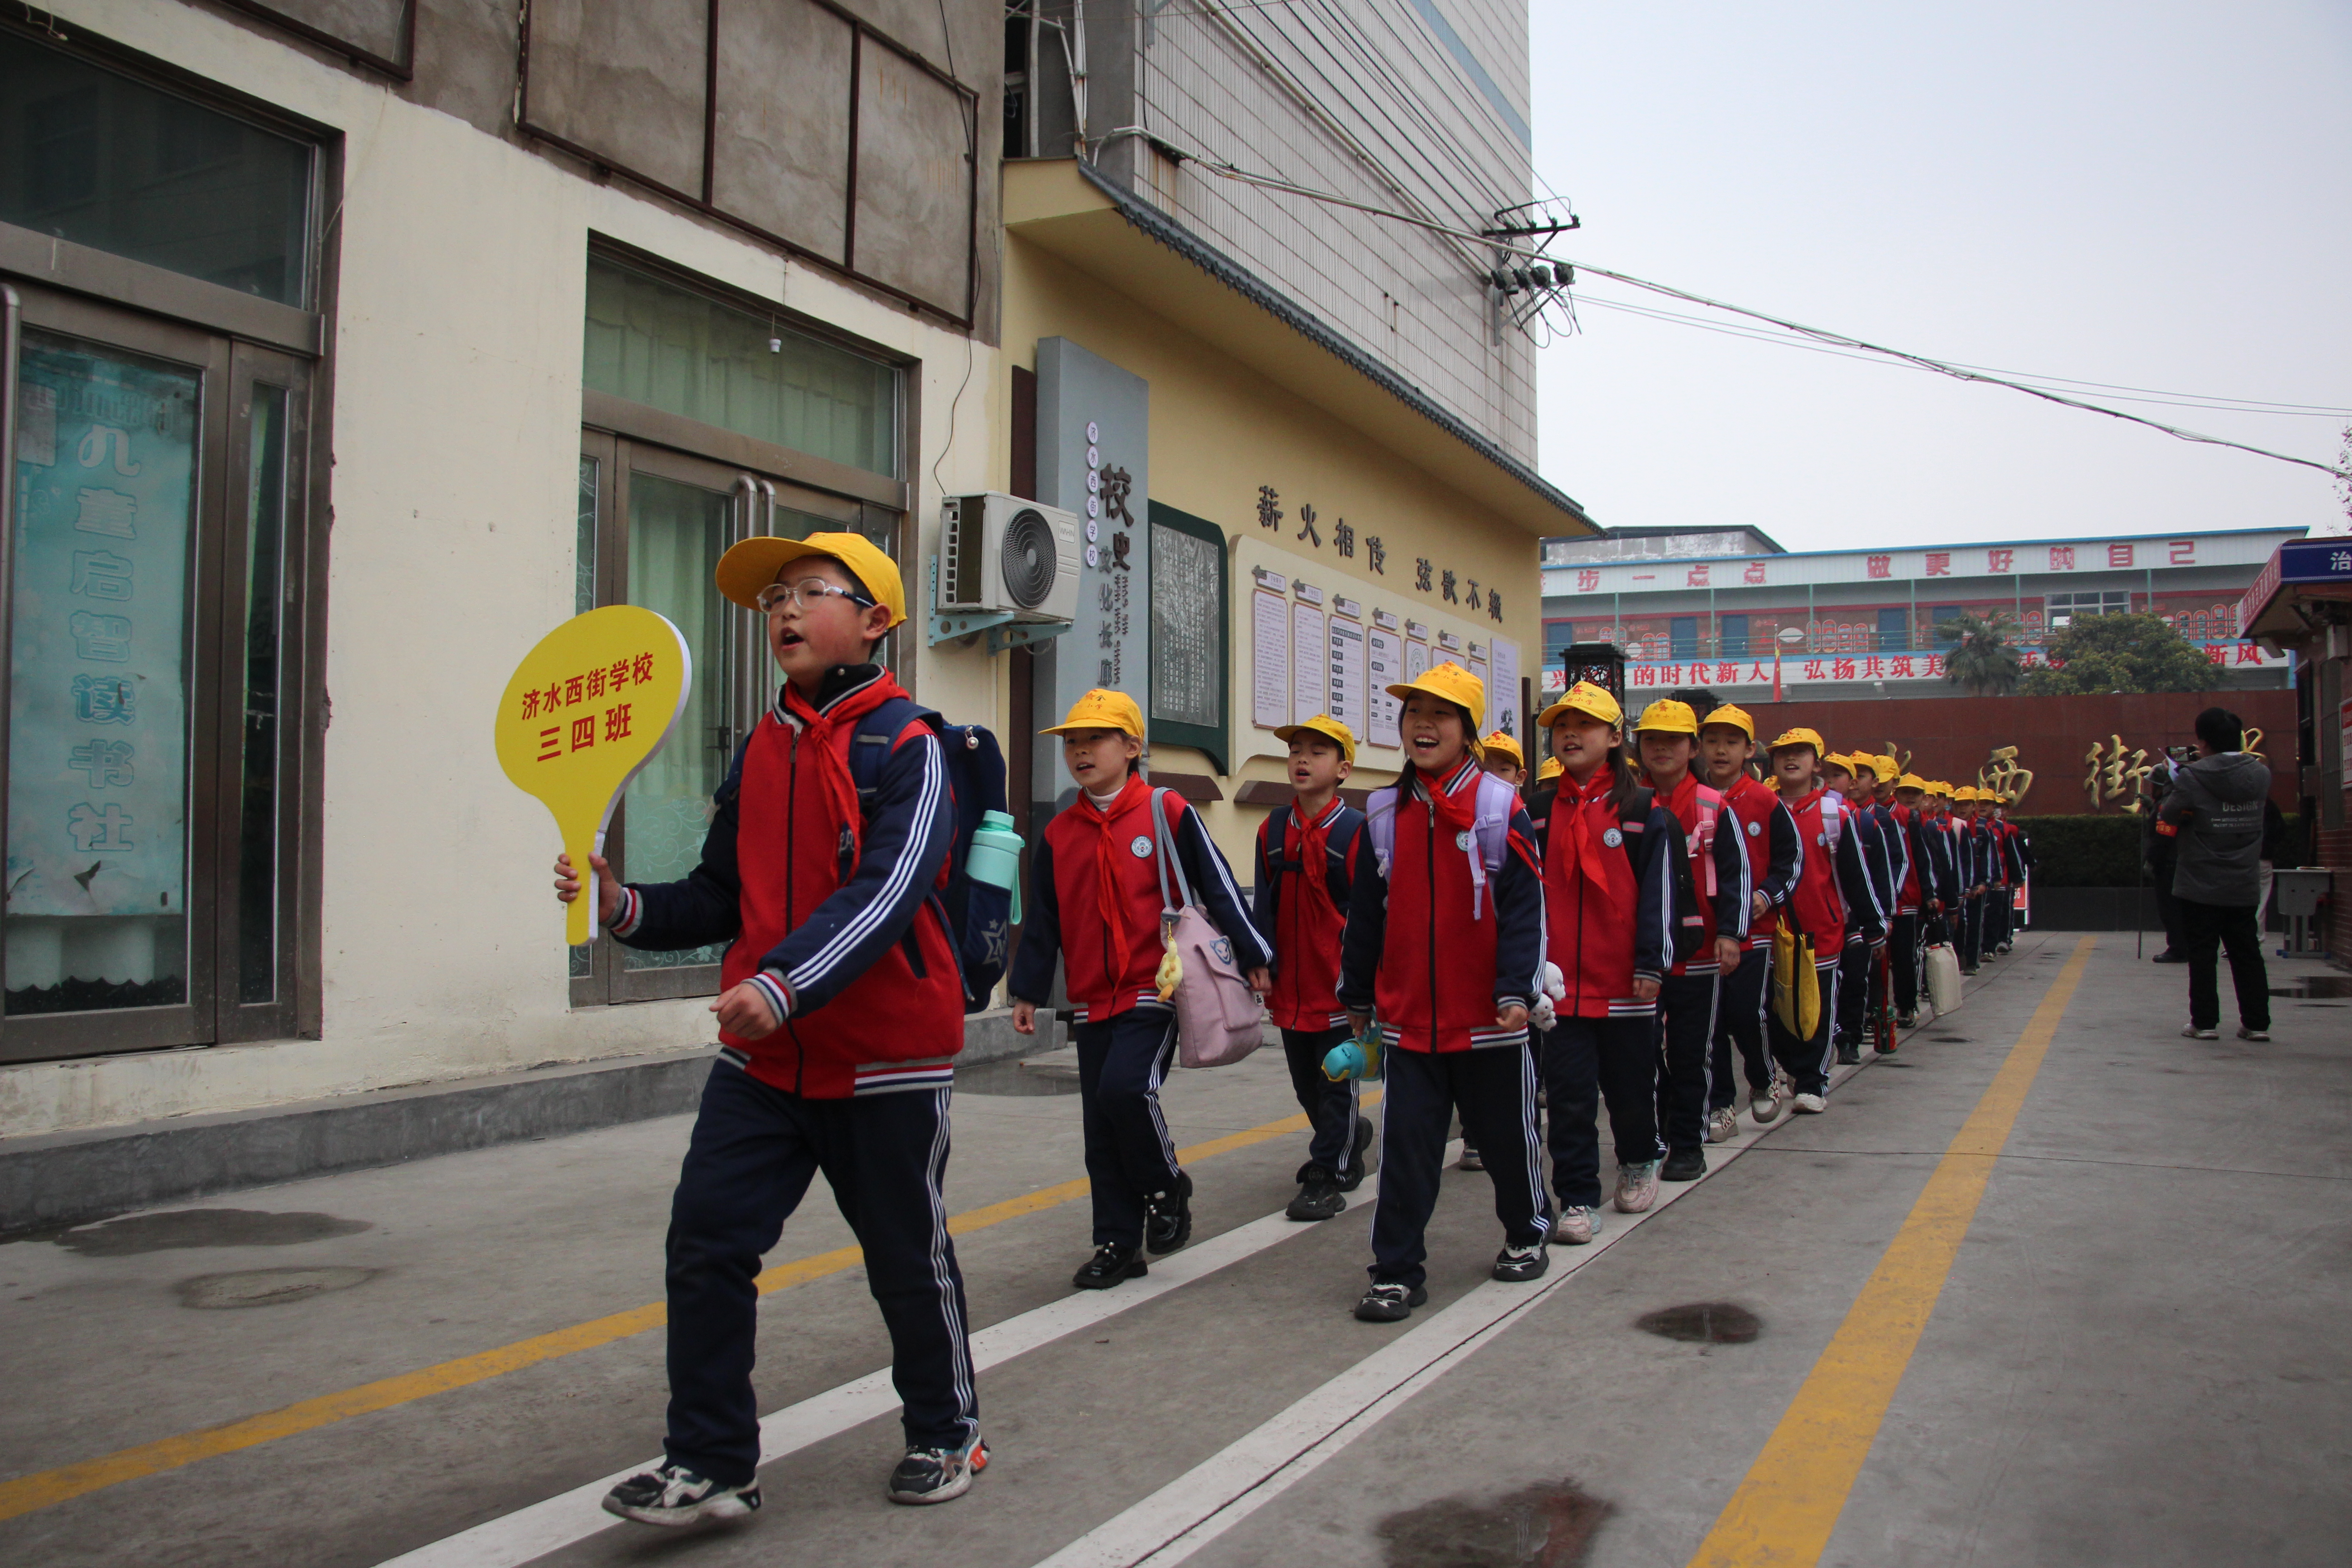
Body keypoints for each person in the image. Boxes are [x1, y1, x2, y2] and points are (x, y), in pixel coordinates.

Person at [556, 532, 985, 1522]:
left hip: (884, 1060)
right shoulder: (759, 748)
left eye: (810, 592)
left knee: (903, 1257)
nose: (785, 610)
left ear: (875, 622)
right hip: (765, 1063)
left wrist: (786, 984)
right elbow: (718, 895)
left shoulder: (911, 747)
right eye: (774, 598)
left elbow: (890, 893)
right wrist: (624, 907)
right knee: (707, 1241)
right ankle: (709, 1461)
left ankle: (947, 1431)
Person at [1008, 690, 1273, 1288]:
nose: (1080, 751)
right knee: (1100, 1127)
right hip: (1090, 997)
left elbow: (1219, 883)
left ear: (1132, 749)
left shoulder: (1166, 809)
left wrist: (1256, 953)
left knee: (1126, 1091)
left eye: (1095, 739)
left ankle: (1166, 1185)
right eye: (1072, 742)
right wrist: (1026, 991)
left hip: (1157, 985)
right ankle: (1117, 1244)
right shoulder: (1059, 831)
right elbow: (1044, 919)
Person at [1340, 663, 1549, 1322]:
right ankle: (1396, 1272)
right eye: (1413, 713)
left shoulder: (1497, 804)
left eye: (1442, 715)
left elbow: (1524, 907)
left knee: (1508, 1140)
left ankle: (1526, 1231)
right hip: (1410, 1023)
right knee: (1406, 1153)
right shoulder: (1380, 812)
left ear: (1469, 731)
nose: (1423, 725)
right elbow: (1366, 913)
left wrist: (1517, 987)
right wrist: (1357, 992)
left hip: (1489, 1017)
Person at [1526, 681, 1682, 1236]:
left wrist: (1651, 964)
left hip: (1625, 984)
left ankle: (1639, 1158)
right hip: (1561, 986)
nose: (1570, 734)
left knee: (1631, 1090)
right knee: (1567, 1098)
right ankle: (1577, 1197)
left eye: (1585, 725)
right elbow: (1525, 893)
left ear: (1615, 738)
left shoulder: (1644, 812)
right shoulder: (1538, 809)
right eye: (1562, 725)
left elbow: (1660, 893)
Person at [1254, 715, 1376, 1221]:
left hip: (1337, 986)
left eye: (1317, 752)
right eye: (1296, 751)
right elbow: (1263, 902)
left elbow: (1371, 915)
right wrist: (1258, 960)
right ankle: (1347, 1136)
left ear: (1343, 768)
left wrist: (1364, 986)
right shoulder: (1273, 828)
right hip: (1290, 990)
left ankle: (1329, 1171)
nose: (1302, 760)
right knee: (1308, 1086)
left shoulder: (1355, 832)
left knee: (1334, 1081)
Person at [1631, 699, 1748, 1181]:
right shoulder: (1631, 803)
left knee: (1689, 1053)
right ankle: (1653, 1138)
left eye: (1673, 740)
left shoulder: (1713, 805)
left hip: (1698, 956)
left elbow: (1738, 873)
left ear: (1692, 747)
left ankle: (1687, 1143)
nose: (1661, 749)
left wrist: (1730, 934)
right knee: (1641, 1056)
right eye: (1652, 739)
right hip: (1644, 959)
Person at [1764, 729, 1882, 1114]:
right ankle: (1794, 1067)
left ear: (1818, 764)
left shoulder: (1835, 814)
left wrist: (1872, 923)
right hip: (1771, 929)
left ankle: (1812, 1082)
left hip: (1822, 929)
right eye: (1783, 753)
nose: (1791, 759)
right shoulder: (1762, 810)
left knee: (1816, 1008)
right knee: (1773, 1009)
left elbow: (1854, 873)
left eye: (1801, 753)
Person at [1699, 705, 1798, 1132]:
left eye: (1732, 742)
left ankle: (1763, 1078)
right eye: (1713, 741)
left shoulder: (1765, 801)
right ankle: (1721, 1104)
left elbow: (1791, 861)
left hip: (1754, 931)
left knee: (1745, 1013)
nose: (1721, 751)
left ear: (1750, 749)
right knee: (1712, 1020)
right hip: (1702, 934)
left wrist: (1766, 895)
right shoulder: (1692, 796)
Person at [2158, 707, 2273, 1042]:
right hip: (2243, 877)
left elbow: (2169, 814)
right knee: (2247, 952)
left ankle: (2205, 1023)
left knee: (2203, 954)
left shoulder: (2192, 777)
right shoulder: (2261, 774)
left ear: (2203, 741)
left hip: (2200, 879)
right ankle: (2256, 1023)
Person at [1457, 727, 1530, 1172]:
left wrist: (1520, 980)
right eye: (1488, 767)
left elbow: (1527, 903)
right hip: (1463, 966)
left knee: (1503, 1058)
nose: (1495, 776)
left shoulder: (1518, 814)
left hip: (1514, 963)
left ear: (1520, 776)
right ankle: (1472, 1133)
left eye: (1504, 768)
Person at [1826, 755, 1895, 1064]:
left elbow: (1880, 874)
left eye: (1839, 775)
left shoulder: (1867, 824)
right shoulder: (1806, 816)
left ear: (1852, 784)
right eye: (1827, 773)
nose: (1831, 780)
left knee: (1855, 978)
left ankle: (1850, 1037)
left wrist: (1883, 917)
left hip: (1854, 919)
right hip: (1821, 918)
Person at [2142, 755, 2190, 962]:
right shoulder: (2164, 803)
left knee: (2171, 910)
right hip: (2175, 863)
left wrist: (2152, 861)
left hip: (2168, 864)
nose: (2150, 789)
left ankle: (2178, 948)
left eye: (2153, 785)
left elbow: (2164, 835)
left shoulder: (2167, 805)